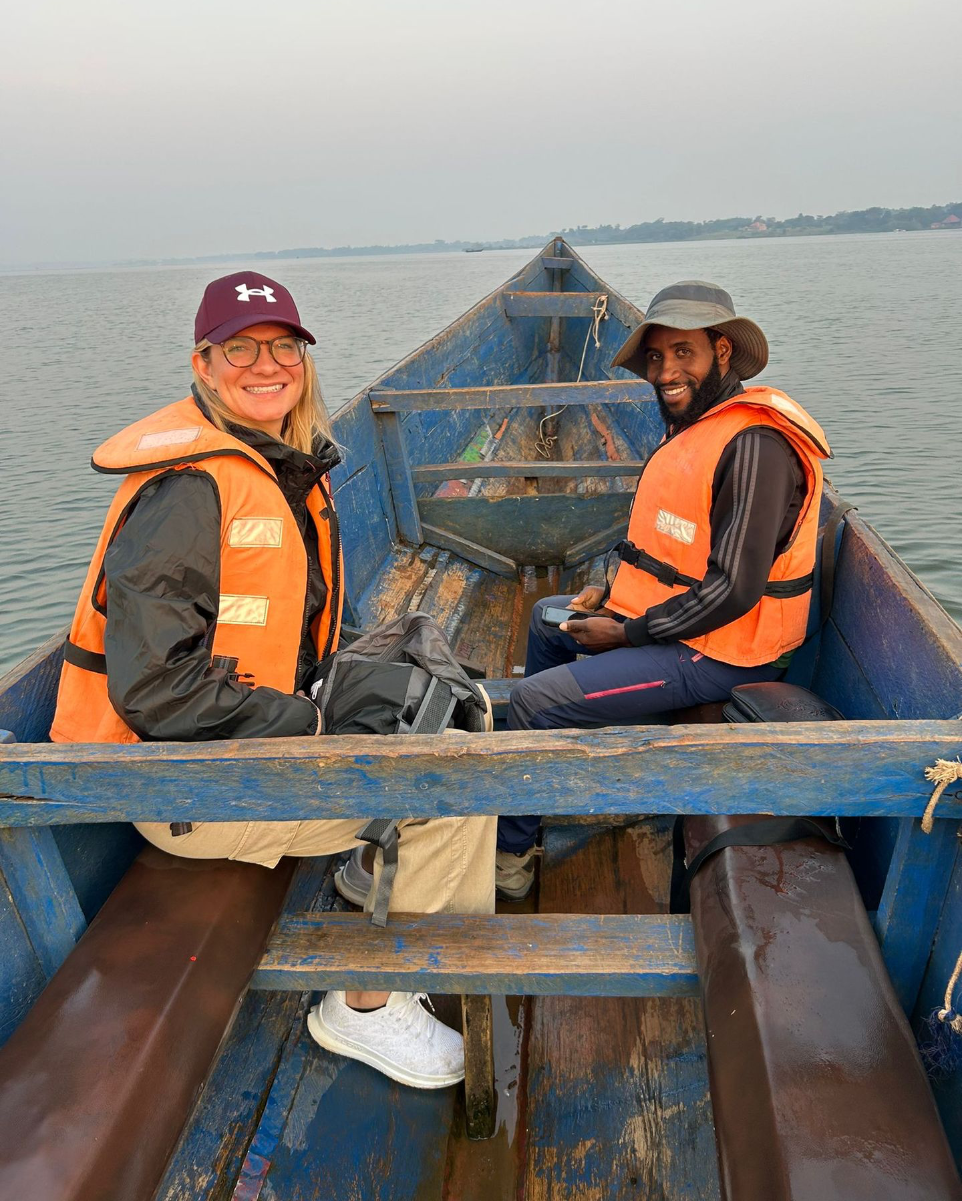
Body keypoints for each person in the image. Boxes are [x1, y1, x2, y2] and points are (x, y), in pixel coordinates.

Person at [50, 270, 496, 1088]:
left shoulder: (274, 466)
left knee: (456, 711)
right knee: (457, 788)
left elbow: (288, 626)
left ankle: (385, 882)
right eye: (241, 350)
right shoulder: (188, 490)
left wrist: (350, 689)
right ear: (203, 364)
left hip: (239, 746)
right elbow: (155, 690)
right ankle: (365, 1006)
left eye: (284, 347)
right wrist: (313, 723)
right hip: (183, 787)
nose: (267, 365)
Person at [495, 280, 831, 899]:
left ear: (722, 352)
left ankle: (510, 856)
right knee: (548, 617)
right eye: (656, 357)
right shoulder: (700, 427)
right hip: (682, 625)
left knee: (532, 702)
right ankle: (547, 771)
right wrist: (608, 592)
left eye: (683, 353)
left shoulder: (755, 446)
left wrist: (626, 632)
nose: (666, 372)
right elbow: (673, 547)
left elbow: (733, 590)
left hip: (725, 652)